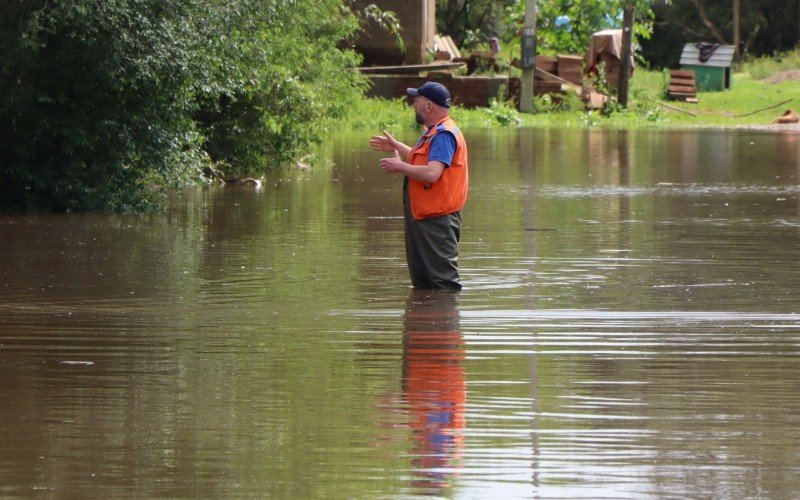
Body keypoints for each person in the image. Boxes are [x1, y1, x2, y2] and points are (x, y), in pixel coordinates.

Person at [369, 82, 468, 290]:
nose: (414, 104)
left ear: (428, 107)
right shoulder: (435, 132)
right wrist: (397, 147)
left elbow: (432, 173)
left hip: (438, 222)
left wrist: (400, 167)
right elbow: (422, 159)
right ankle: (425, 320)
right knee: (423, 283)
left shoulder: (443, 135)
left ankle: (445, 321)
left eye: (417, 100)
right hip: (425, 218)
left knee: (443, 284)